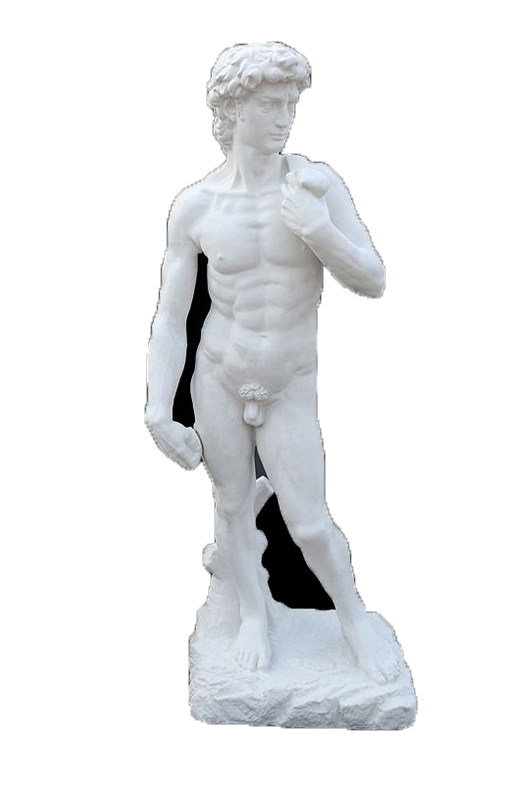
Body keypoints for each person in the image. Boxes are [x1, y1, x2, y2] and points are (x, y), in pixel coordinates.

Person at [145, 42, 399, 682]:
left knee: (308, 521)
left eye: (291, 104)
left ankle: (354, 622)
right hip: (219, 376)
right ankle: (254, 613)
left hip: (288, 383)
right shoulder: (196, 205)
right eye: (270, 105)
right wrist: (157, 409)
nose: (285, 118)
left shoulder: (314, 185)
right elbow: (171, 317)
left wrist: (318, 230)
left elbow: (372, 279)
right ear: (234, 110)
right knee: (232, 504)